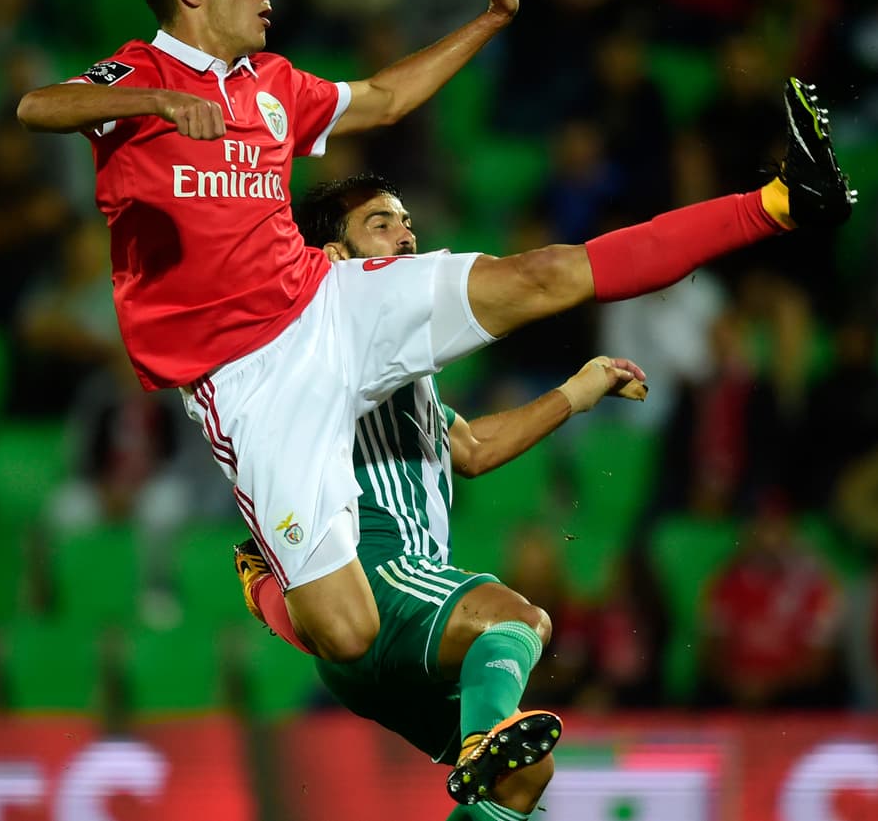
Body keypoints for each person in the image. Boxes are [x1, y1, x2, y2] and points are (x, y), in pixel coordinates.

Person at [15, 0, 854, 802]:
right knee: (341, 631)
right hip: (251, 378)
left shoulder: (270, 83)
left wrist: (491, 18)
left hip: (326, 298)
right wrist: (150, 102)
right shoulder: (140, 77)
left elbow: (382, 98)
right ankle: (284, 591)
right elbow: (38, 105)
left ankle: (781, 200)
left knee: (542, 277)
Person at [235, 173, 647, 815]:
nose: (407, 233)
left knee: (521, 778)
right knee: (517, 620)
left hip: (366, 638)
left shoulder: (390, 363)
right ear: (335, 258)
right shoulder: (340, 333)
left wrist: (574, 393)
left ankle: (490, 741)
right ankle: (486, 731)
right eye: (381, 222)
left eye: (406, 220)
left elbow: (472, 449)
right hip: (379, 577)